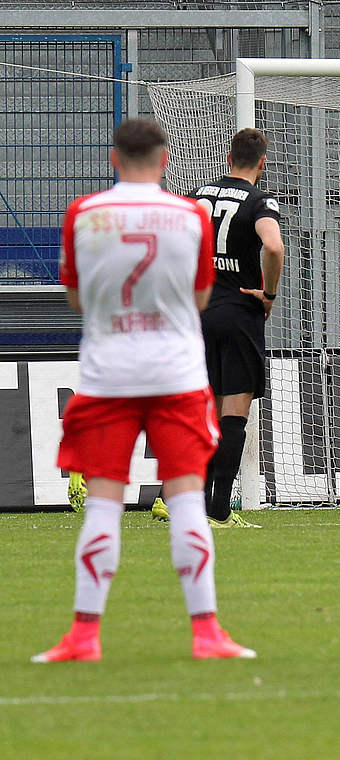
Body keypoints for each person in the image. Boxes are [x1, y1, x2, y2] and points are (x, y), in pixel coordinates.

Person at [33, 118, 254, 662]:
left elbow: (77, 301)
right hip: (177, 375)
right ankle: (206, 633)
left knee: (104, 505)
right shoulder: (190, 215)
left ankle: (84, 635)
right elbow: (202, 297)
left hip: (108, 376)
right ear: (165, 160)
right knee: (185, 503)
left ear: (114, 158)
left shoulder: (85, 213)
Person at [181, 127, 286, 528]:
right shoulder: (260, 201)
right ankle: (220, 510)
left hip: (198, 311)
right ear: (262, 163)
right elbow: (274, 246)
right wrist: (269, 293)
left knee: (202, 409)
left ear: (228, 159)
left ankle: (191, 504)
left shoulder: (197, 196)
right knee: (235, 412)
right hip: (240, 310)